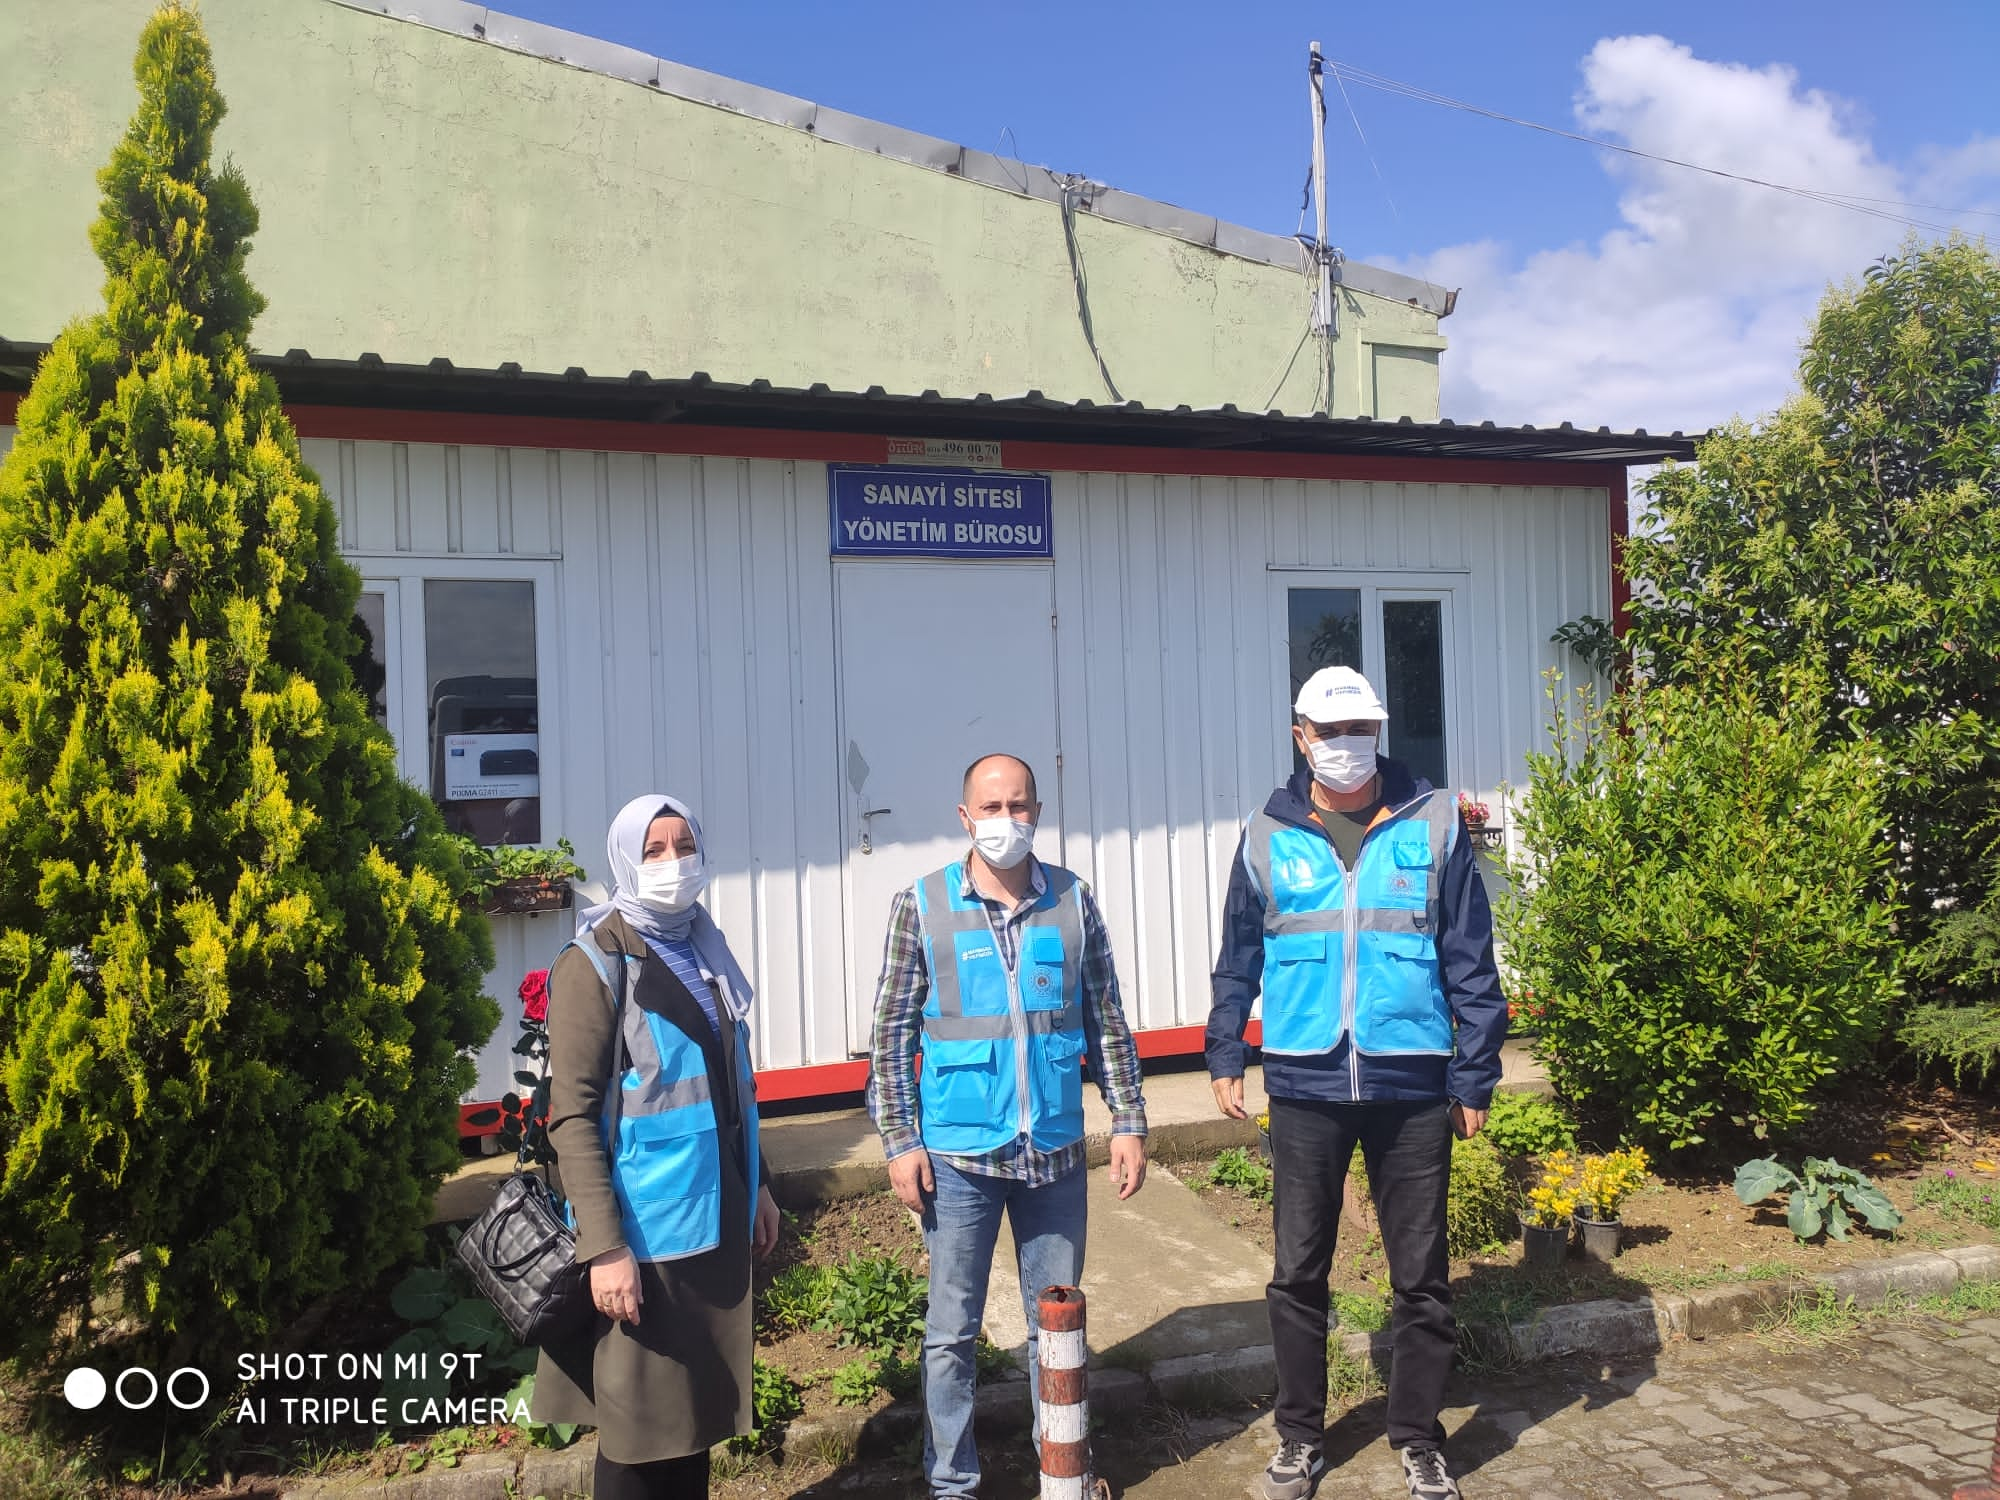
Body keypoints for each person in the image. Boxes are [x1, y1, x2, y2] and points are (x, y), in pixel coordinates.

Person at [1206, 666, 1506, 1500]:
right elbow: (1238, 956)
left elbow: (1470, 960)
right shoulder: (1267, 834)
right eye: (1331, 733)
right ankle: (1301, 1438)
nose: (1347, 746)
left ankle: (1418, 1438)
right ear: (1300, 735)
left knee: (1421, 1275)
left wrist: (1475, 1073)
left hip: (1411, 1084)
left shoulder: (1434, 820)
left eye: (1360, 729)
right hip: (1304, 1085)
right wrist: (1227, 1049)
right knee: (1299, 1272)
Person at [868, 753, 1150, 1500]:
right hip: (957, 1158)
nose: (1006, 820)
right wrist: (900, 1141)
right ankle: (952, 1481)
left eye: (1018, 805)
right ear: (964, 817)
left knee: (1054, 1325)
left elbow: (1107, 1019)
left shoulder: (1073, 899)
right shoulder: (921, 905)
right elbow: (892, 1035)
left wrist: (1127, 1120)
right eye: (990, 808)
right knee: (950, 1334)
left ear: (1038, 810)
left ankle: (1062, 1473)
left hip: (1052, 1153)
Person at [533, 794, 781, 1500]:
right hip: (644, 1234)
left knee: (692, 1417)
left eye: (683, 845)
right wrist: (605, 1248)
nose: (674, 863)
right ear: (623, 861)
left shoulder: (703, 949)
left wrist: (757, 1183)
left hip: (711, 1217)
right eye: (654, 850)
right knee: (639, 1431)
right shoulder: (595, 962)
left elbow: (731, 1092)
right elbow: (572, 1118)